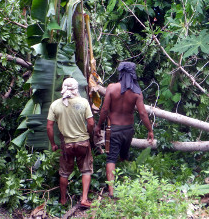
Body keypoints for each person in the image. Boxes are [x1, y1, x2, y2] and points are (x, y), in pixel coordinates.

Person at [96, 61, 155, 199]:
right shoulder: (136, 92)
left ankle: (111, 191)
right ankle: (124, 183)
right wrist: (150, 130)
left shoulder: (111, 88)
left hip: (114, 129)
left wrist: (99, 126)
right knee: (124, 156)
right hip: (128, 130)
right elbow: (142, 114)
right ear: (133, 74)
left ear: (121, 73)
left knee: (111, 158)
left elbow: (104, 110)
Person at [47, 77, 95, 207]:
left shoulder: (55, 105)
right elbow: (91, 123)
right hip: (83, 142)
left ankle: (63, 200)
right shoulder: (83, 102)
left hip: (66, 144)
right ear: (76, 88)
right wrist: (88, 134)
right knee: (85, 170)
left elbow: (49, 126)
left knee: (64, 172)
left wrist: (53, 144)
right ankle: (84, 199)